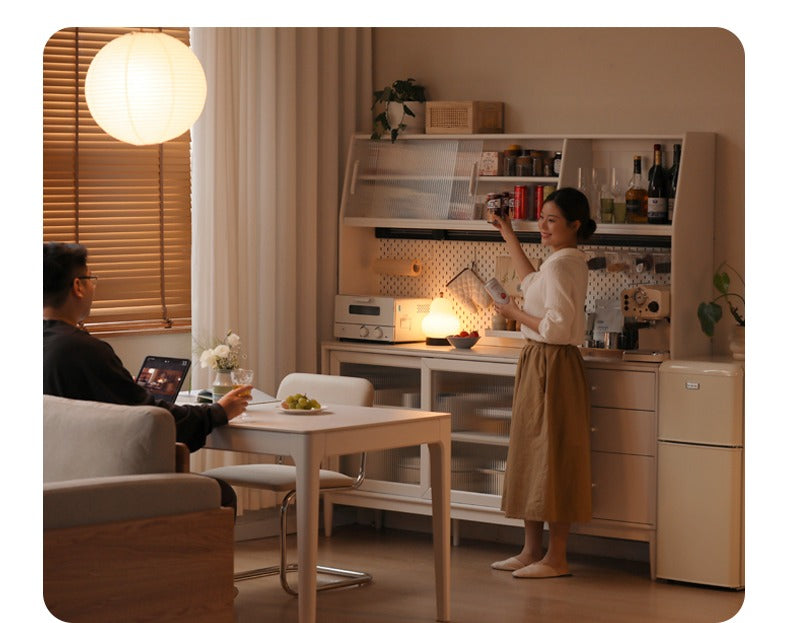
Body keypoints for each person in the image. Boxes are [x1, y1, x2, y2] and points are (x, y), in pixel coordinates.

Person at [43, 242, 252, 514]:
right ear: (78, 286)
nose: (94, 287)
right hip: (97, 485)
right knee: (219, 493)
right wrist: (218, 412)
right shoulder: (82, 351)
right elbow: (153, 420)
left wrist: (120, 383)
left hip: (53, 478)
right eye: (91, 279)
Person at [489, 187, 596, 579]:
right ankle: (532, 550)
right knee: (533, 454)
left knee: (553, 456)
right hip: (540, 361)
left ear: (575, 225)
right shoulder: (558, 261)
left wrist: (514, 312)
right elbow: (531, 280)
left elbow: (556, 327)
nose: (544, 227)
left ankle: (556, 557)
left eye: (553, 220)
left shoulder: (562, 265)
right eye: (542, 219)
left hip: (553, 362)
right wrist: (508, 232)